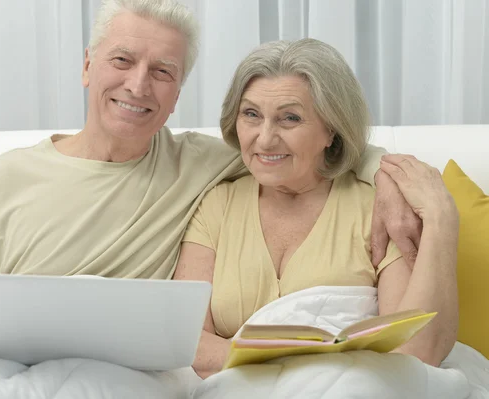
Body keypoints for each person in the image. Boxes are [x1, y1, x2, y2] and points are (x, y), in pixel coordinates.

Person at [0, 0, 420, 345]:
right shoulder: (11, 175)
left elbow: (316, 147)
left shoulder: (203, 163)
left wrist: (393, 183)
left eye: (162, 71)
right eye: (122, 60)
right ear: (86, 67)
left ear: (178, 92)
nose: (138, 85)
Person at [173, 38, 459, 379]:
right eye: (251, 114)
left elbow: (415, 352)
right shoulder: (216, 203)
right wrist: (291, 366)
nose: (264, 139)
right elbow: (185, 343)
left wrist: (442, 220)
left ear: (331, 130)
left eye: (289, 118)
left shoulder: (378, 207)